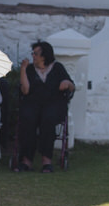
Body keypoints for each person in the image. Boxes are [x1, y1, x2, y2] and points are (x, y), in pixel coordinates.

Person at [17, 41, 73, 173]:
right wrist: (23, 70)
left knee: (48, 119)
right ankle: (26, 160)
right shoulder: (30, 69)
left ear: (44, 56)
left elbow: (71, 85)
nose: (33, 56)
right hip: (33, 103)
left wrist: (67, 83)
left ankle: (46, 160)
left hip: (53, 104)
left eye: (36, 54)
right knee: (28, 119)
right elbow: (25, 90)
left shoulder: (57, 68)